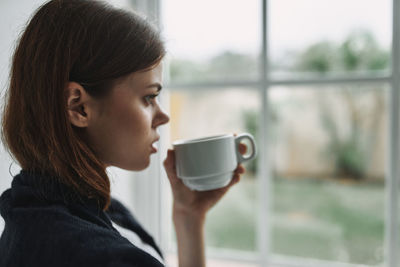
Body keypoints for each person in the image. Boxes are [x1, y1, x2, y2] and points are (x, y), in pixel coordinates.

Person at [0, 0, 246, 266]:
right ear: (78, 106)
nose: (163, 116)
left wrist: (189, 217)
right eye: (149, 97)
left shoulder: (35, 211)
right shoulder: (102, 256)